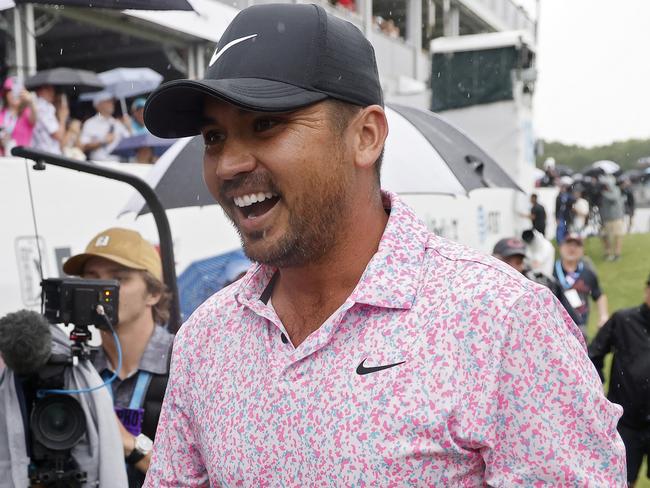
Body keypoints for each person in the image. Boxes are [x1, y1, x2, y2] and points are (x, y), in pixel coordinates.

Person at [141, 4, 625, 485]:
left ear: (366, 136)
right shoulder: (205, 341)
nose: (228, 165)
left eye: (265, 124)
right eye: (214, 136)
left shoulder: (500, 321)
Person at [63, 228, 174, 488]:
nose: (101, 290)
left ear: (153, 293)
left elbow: (209, 473)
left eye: (118, 279)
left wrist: (129, 444)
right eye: (91, 278)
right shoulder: (75, 370)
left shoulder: (188, 361)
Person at [589, 273, 650, 487]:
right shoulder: (623, 320)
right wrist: (599, 396)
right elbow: (593, 355)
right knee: (622, 480)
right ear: (646, 290)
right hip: (626, 422)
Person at [493, 236, 580, 325]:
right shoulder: (487, 290)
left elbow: (571, 318)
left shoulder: (542, 285)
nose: (512, 267)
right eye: (507, 262)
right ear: (494, 261)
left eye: (518, 262)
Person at [553, 233, 609, 336]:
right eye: (569, 244)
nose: (572, 248)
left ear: (582, 250)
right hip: (554, 325)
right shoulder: (551, 271)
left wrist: (603, 316)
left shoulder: (588, 273)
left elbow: (599, 295)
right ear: (561, 247)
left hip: (579, 327)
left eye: (577, 245)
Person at [80, 91, 131, 161]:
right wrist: (103, 142)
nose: (111, 104)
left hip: (119, 164)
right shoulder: (89, 123)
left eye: (112, 102)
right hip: (98, 165)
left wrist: (129, 127)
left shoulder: (117, 123)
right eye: (108, 102)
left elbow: (130, 143)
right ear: (98, 105)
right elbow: (84, 146)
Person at [0, 77, 37, 156]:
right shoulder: (1, 114)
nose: (14, 94)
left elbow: (34, 119)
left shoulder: (27, 112)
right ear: (5, 94)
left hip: (22, 159)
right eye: (10, 91)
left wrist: (31, 102)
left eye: (17, 91)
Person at [31, 84, 68, 154]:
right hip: (48, 156)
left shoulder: (36, 105)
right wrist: (63, 117)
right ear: (39, 91)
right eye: (48, 89)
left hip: (40, 153)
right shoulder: (44, 107)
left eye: (52, 89)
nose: (52, 92)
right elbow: (58, 135)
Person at [599, 175, 626, 261]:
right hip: (606, 218)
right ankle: (608, 253)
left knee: (617, 236)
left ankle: (617, 254)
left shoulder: (615, 189)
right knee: (604, 236)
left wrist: (604, 193)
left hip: (616, 217)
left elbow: (613, 198)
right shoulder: (602, 191)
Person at [554, 176, 575, 244]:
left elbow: (572, 204)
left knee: (567, 230)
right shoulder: (559, 196)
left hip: (568, 216)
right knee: (560, 230)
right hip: (561, 216)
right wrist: (556, 217)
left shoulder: (570, 196)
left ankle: (567, 243)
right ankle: (561, 243)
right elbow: (557, 207)